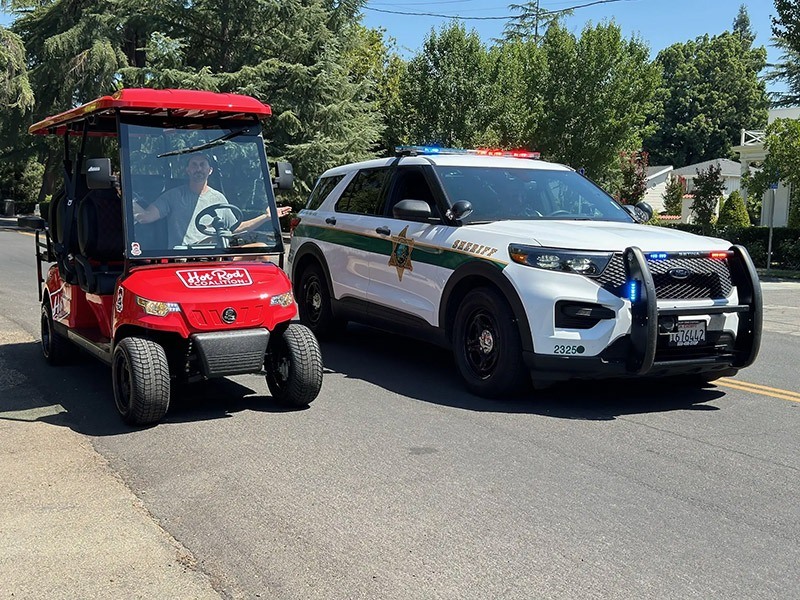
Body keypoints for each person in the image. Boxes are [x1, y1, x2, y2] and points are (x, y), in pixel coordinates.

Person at [132, 153, 291, 247]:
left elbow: (235, 228)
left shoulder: (218, 198)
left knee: (262, 250)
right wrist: (128, 197)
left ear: (210, 170)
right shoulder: (172, 196)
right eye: (194, 165)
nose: (198, 168)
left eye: (202, 165)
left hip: (216, 256)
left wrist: (266, 217)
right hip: (183, 258)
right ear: (188, 170)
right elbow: (145, 217)